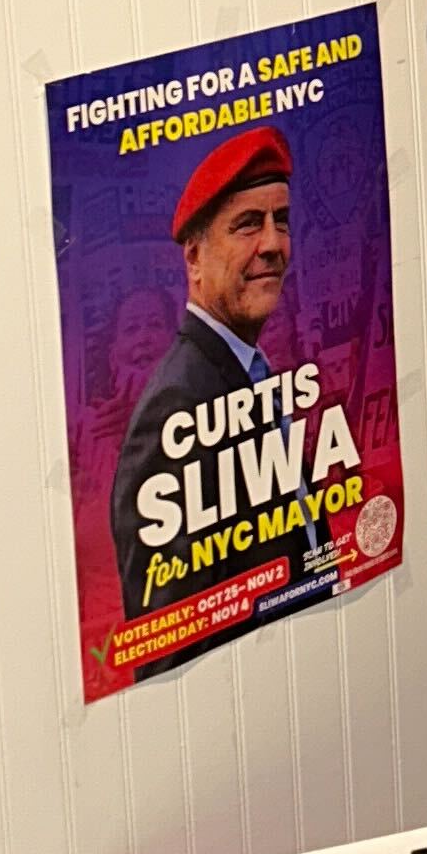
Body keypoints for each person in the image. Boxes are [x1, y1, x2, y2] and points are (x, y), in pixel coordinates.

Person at [106, 121, 318, 632]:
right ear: (195, 258)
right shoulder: (176, 405)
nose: (273, 244)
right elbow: (171, 635)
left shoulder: (251, 373)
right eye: (247, 224)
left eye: (281, 220)